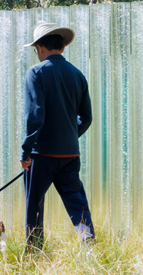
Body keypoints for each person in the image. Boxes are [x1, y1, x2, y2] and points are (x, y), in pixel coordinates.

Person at [20, 21, 95, 248]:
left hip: (41, 155)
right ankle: (89, 246)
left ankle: (34, 253)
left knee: (35, 205)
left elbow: (36, 115)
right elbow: (87, 117)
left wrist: (26, 150)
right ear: (62, 47)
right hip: (70, 154)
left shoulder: (36, 72)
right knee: (77, 205)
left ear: (40, 48)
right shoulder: (78, 75)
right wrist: (70, 135)